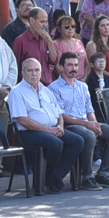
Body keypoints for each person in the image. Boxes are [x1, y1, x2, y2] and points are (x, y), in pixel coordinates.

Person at [9, 56, 90, 190]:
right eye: (30, 70)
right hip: (29, 132)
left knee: (77, 141)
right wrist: (49, 131)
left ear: (41, 72)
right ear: (22, 73)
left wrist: (60, 126)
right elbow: (22, 120)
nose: (34, 73)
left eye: (37, 70)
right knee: (56, 143)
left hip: (52, 129)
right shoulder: (17, 92)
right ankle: (48, 177)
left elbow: (59, 114)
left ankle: (55, 176)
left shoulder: (46, 90)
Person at [50, 50, 109, 187]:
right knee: (89, 135)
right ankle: (87, 177)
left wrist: (94, 123)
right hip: (70, 125)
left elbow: (89, 109)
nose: (74, 68)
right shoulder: (53, 88)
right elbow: (60, 115)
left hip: (86, 122)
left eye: (76, 65)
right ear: (61, 67)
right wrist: (87, 124)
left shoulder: (82, 86)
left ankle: (103, 173)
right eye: (69, 65)